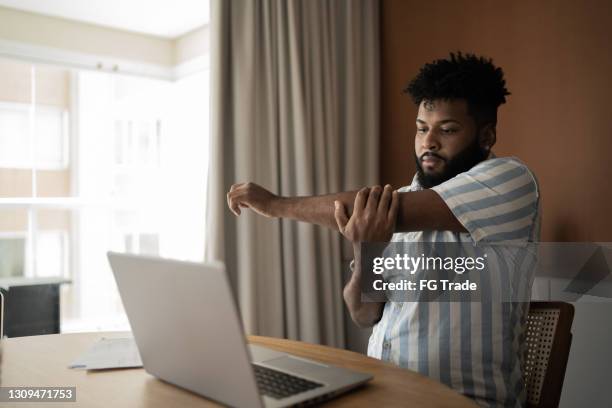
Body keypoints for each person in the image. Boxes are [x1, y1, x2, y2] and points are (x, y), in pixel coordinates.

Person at [226, 52, 540, 407]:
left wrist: (276, 205)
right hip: (385, 393)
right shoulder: (402, 201)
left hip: (463, 400)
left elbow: (381, 212)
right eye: (422, 128)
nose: (429, 142)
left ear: (486, 136)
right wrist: (367, 252)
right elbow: (363, 315)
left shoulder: (510, 180)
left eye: (447, 129)